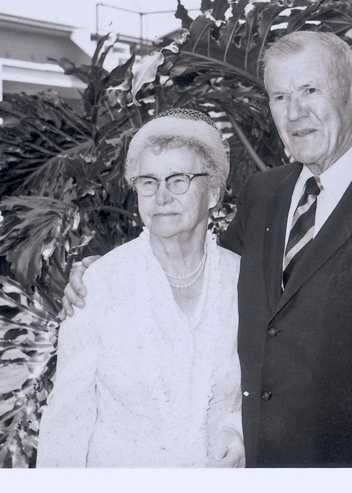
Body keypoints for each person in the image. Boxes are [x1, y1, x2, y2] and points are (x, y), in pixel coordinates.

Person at [65, 31, 352, 467]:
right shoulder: (265, 193)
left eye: (311, 90)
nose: (295, 112)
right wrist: (102, 271)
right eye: (279, 96)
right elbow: (205, 270)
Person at [38, 109, 244, 468]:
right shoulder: (100, 284)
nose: (161, 196)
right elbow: (66, 422)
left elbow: (269, 390)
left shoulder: (245, 279)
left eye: (178, 179)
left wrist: (239, 432)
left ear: (212, 192)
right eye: (148, 182)